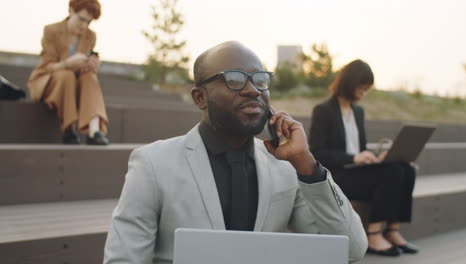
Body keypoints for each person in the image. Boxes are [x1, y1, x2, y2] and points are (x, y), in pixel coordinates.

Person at [104, 41, 367, 263]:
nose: (253, 89)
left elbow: (351, 249)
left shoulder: (287, 168)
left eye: (260, 80)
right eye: (234, 80)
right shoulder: (153, 163)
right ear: (200, 98)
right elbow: (124, 258)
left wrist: (307, 165)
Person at [308, 59, 418, 256]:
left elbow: (359, 148)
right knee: (392, 173)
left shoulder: (358, 112)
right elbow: (317, 153)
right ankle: (374, 235)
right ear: (349, 83)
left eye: (367, 89)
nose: (364, 93)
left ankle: (392, 230)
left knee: (406, 168)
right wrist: (353, 158)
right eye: (362, 88)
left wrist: (377, 158)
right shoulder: (324, 111)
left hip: (357, 171)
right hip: (338, 175)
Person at [28, 0, 109, 145]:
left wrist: (90, 64)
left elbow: (82, 70)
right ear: (71, 11)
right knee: (67, 75)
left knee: (90, 76)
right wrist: (67, 64)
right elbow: (46, 67)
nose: (84, 26)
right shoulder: (51, 30)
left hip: (74, 85)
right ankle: (69, 129)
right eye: (82, 19)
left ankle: (94, 130)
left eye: (89, 22)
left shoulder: (90, 36)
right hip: (50, 82)